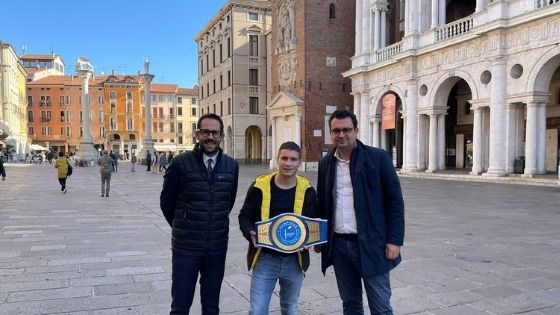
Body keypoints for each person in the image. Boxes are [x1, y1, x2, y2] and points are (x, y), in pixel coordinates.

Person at [316, 110, 405, 315]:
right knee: (351, 304)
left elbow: (395, 202)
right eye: (336, 130)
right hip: (338, 245)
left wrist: (395, 240)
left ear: (356, 130)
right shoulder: (326, 163)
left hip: (372, 243)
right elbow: (323, 202)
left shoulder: (378, 158)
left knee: (380, 306)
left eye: (346, 129)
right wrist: (320, 237)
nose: (341, 135)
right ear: (331, 133)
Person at [160, 113, 239, 315]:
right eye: (205, 132)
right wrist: (185, 224)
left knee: (211, 306)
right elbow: (166, 202)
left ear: (222, 136)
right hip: (186, 247)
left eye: (215, 132)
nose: (210, 137)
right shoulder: (180, 163)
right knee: (180, 306)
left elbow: (227, 203)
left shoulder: (232, 166)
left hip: (217, 247)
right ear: (198, 134)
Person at [238, 141, 318, 314]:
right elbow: (244, 216)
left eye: (293, 159)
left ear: (299, 162)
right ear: (277, 159)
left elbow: (313, 221)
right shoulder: (259, 186)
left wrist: (310, 238)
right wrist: (250, 232)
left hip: (294, 260)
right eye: (284, 158)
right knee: (258, 309)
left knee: (290, 308)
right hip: (265, 258)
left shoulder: (308, 190)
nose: (288, 163)